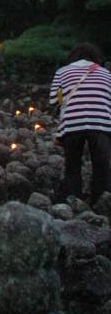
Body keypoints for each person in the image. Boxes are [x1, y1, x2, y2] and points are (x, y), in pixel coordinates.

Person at [49, 43, 111, 202]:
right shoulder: (106, 74)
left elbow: (55, 100)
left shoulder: (62, 72)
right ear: (95, 57)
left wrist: (67, 99)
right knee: (101, 164)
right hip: (101, 122)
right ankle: (100, 199)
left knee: (73, 164)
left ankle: (74, 198)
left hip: (72, 122)